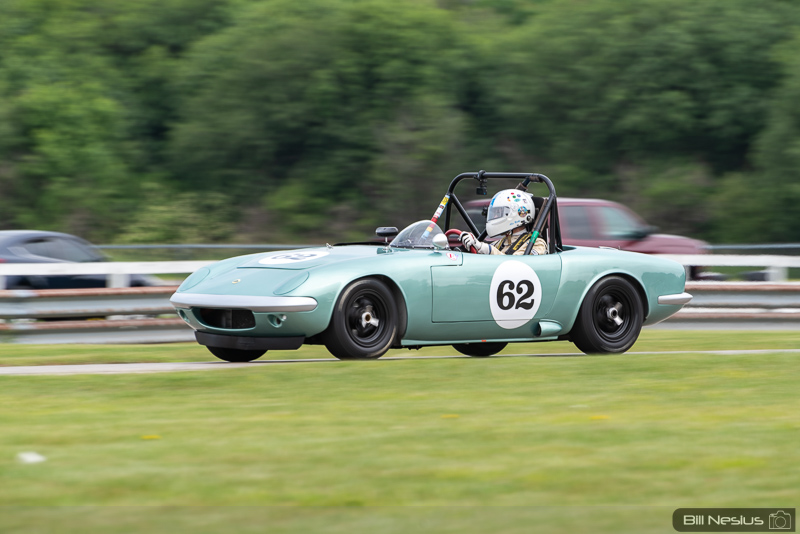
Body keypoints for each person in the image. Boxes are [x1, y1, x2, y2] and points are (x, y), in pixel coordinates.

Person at [459, 189, 548, 255]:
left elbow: (517, 265)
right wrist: (473, 244)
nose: (496, 217)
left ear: (514, 213)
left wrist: (485, 248)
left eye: (499, 213)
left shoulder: (537, 244)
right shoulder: (502, 242)